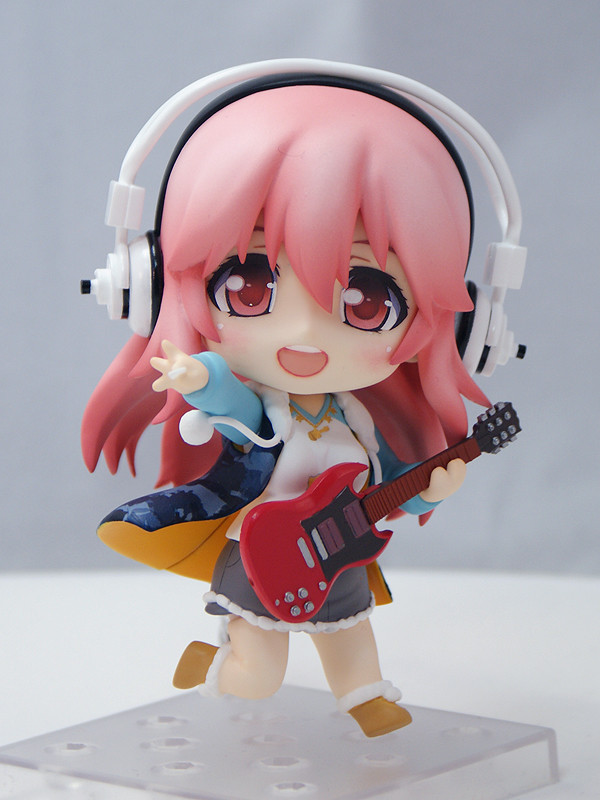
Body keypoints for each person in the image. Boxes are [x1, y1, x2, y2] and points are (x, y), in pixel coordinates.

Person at [82, 81, 488, 737]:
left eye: (366, 301)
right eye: (248, 287)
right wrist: (201, 378)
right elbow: (235, 407)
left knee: (351, 635)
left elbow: (388, 484)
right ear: (149, 288)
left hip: (340, 552)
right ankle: (218, 664)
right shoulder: (268, 411)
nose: (303, 332)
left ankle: (365, 698)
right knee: (258, 676)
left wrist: (428, 490)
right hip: (262, 550)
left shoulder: (359, 422)